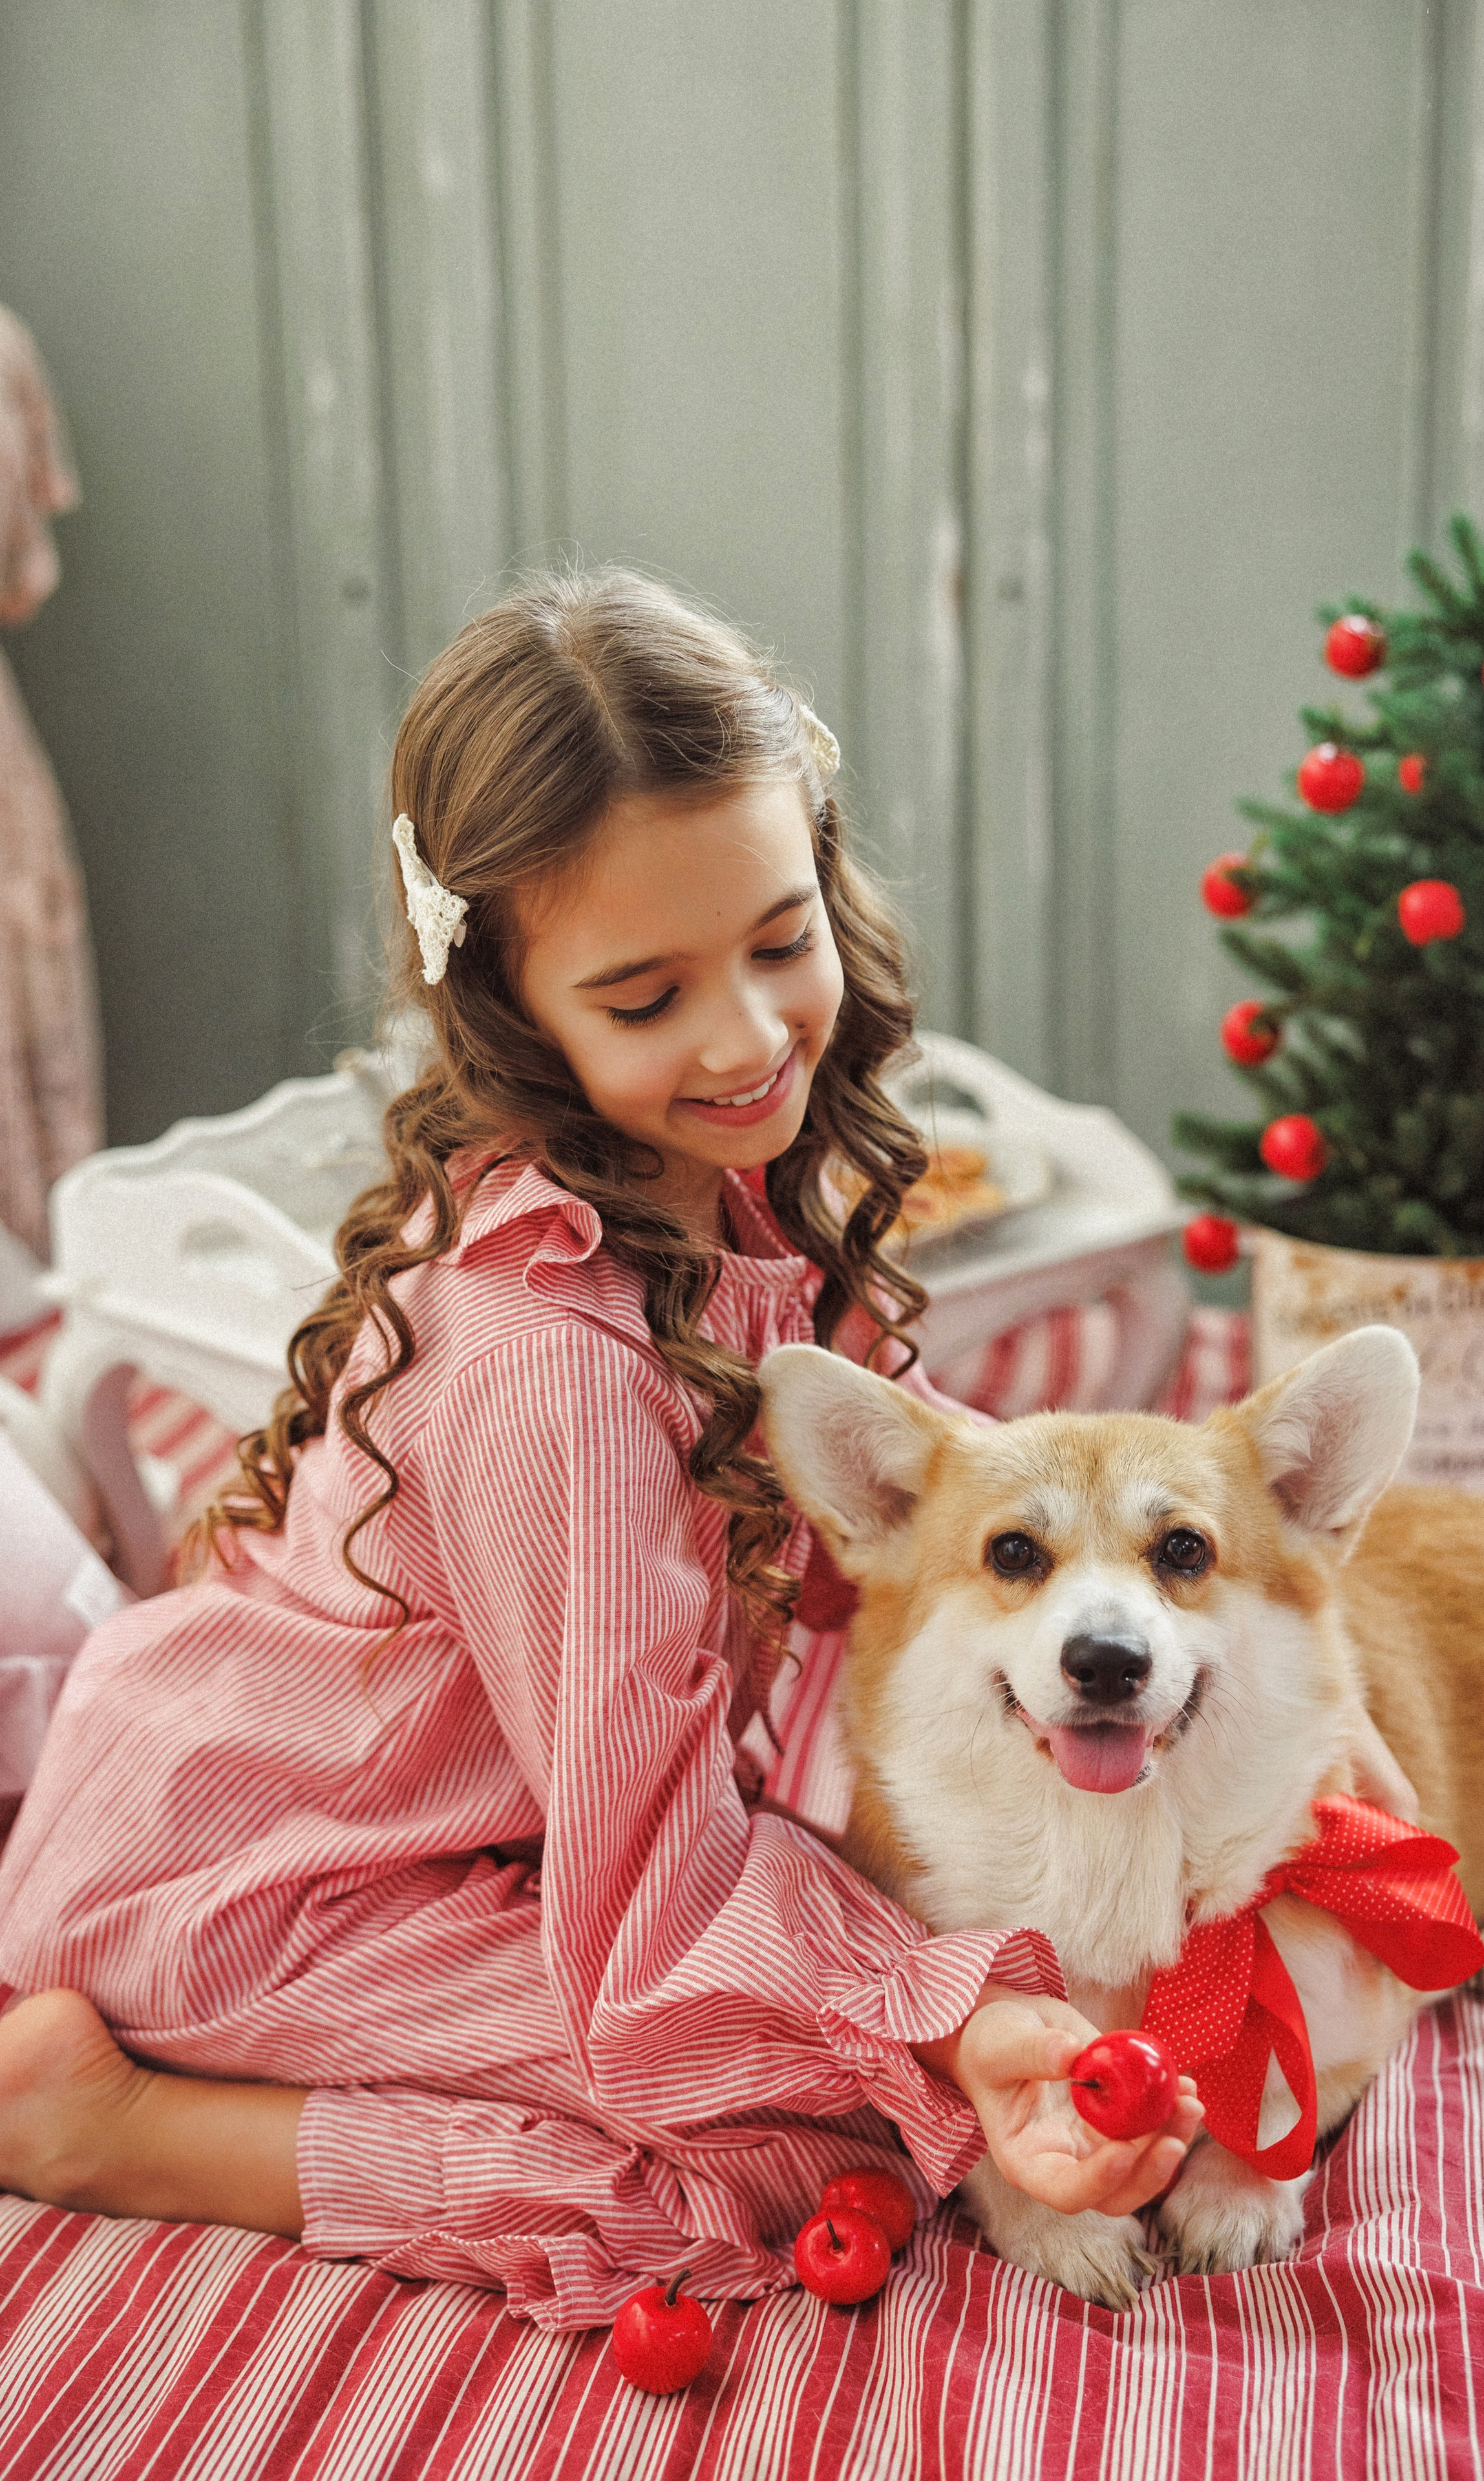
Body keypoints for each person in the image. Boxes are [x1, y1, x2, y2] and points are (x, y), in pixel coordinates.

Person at [0, 570, 1218, 2330]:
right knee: (796, 2151)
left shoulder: (712, 1190)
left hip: (481, 1818)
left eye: (779, 939)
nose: (743, 1038)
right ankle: (108, 2123)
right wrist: (947, 2009)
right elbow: (654, 1911)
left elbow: (863, 1529)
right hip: (256, 1879)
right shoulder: (542, 1366)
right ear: (511, 1007)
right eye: (644, 1000)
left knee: (867, 2047)